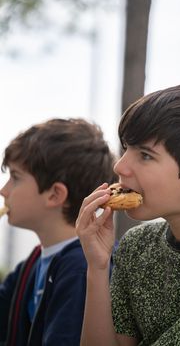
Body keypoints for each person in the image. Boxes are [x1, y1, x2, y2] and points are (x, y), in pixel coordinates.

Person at [76, 81, 180, 346]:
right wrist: (98, 266)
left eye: (146, 156)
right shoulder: (136, 246)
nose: (120, 165)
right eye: (126, 149)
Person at [0, 117, 117, 345]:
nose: (3, 190)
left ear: (55, 195)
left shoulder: (80, 267)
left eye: (15, 178)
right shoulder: (33, 263)